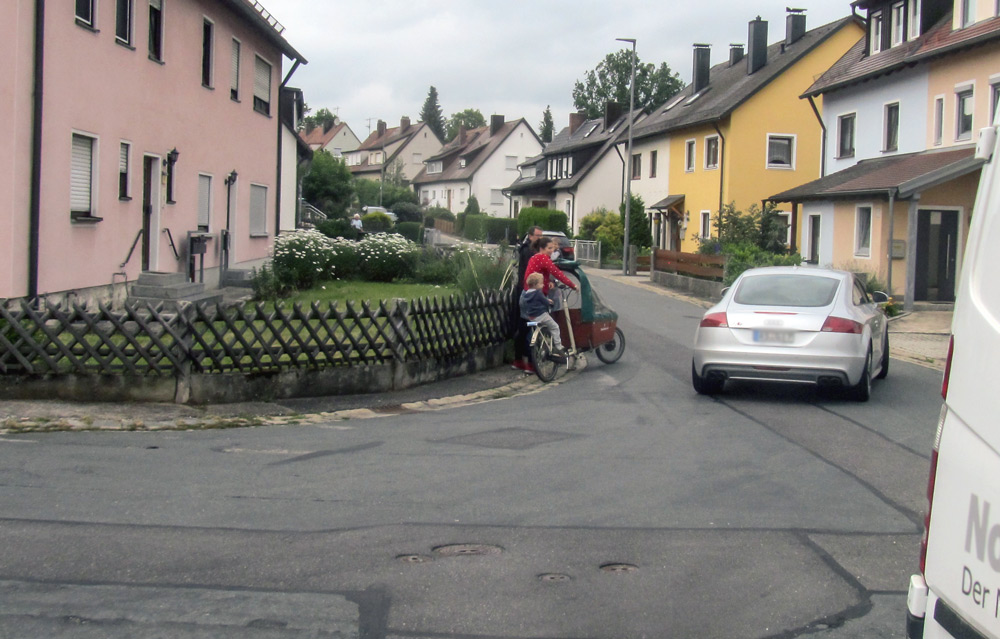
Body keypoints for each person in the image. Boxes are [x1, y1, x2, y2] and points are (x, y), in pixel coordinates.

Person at [512, 226, 544, 373]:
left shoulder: (528, 250)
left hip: (524, 295)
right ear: (530, 236)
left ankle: (519, 360)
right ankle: (530, 363)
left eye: (541, 236)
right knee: (532, 328)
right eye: (538, 235)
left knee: (524, 328)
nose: (540, 238)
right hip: (529, 296)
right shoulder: (529, 252)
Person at [520, 272, 565, 354]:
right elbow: (545, 302)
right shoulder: (538, 293)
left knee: (541, 328)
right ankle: (558, 346)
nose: (543, 285)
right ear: (535, 284)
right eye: (541, 283)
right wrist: (550, 302)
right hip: (541, 316)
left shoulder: (526, 294)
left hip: (531, 318)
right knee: (555, 327)